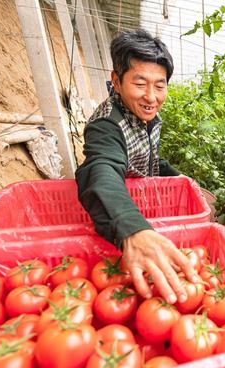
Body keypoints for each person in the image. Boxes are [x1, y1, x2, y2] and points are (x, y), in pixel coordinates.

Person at [76, 29, 197, 306]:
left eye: (160, 85)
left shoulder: (145, 114)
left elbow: (147, 159)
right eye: (140, 84)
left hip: (140, 214)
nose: (151, 96)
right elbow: (101, 170)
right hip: (116, 221)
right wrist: (133, 230)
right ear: (116, 81)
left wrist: (179, 177)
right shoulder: (106, 125)